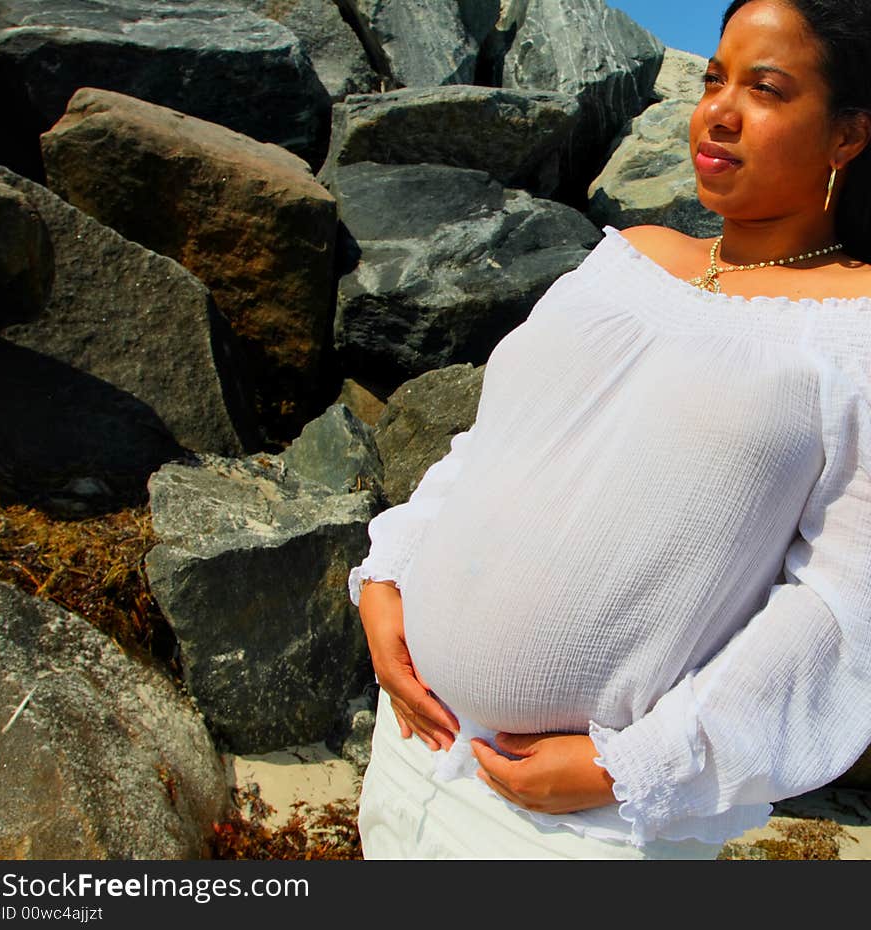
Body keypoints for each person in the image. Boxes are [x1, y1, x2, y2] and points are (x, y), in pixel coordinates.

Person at [348, 0, 871, 860]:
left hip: (582, 828)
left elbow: (841, 608)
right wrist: (388, 580)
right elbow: (490, 447)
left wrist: (634, 766)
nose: (719, 110)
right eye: (713, 78)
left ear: (846, 136)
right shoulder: (626, 259)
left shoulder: (849, 328)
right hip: (411, 749)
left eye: (766, 89)